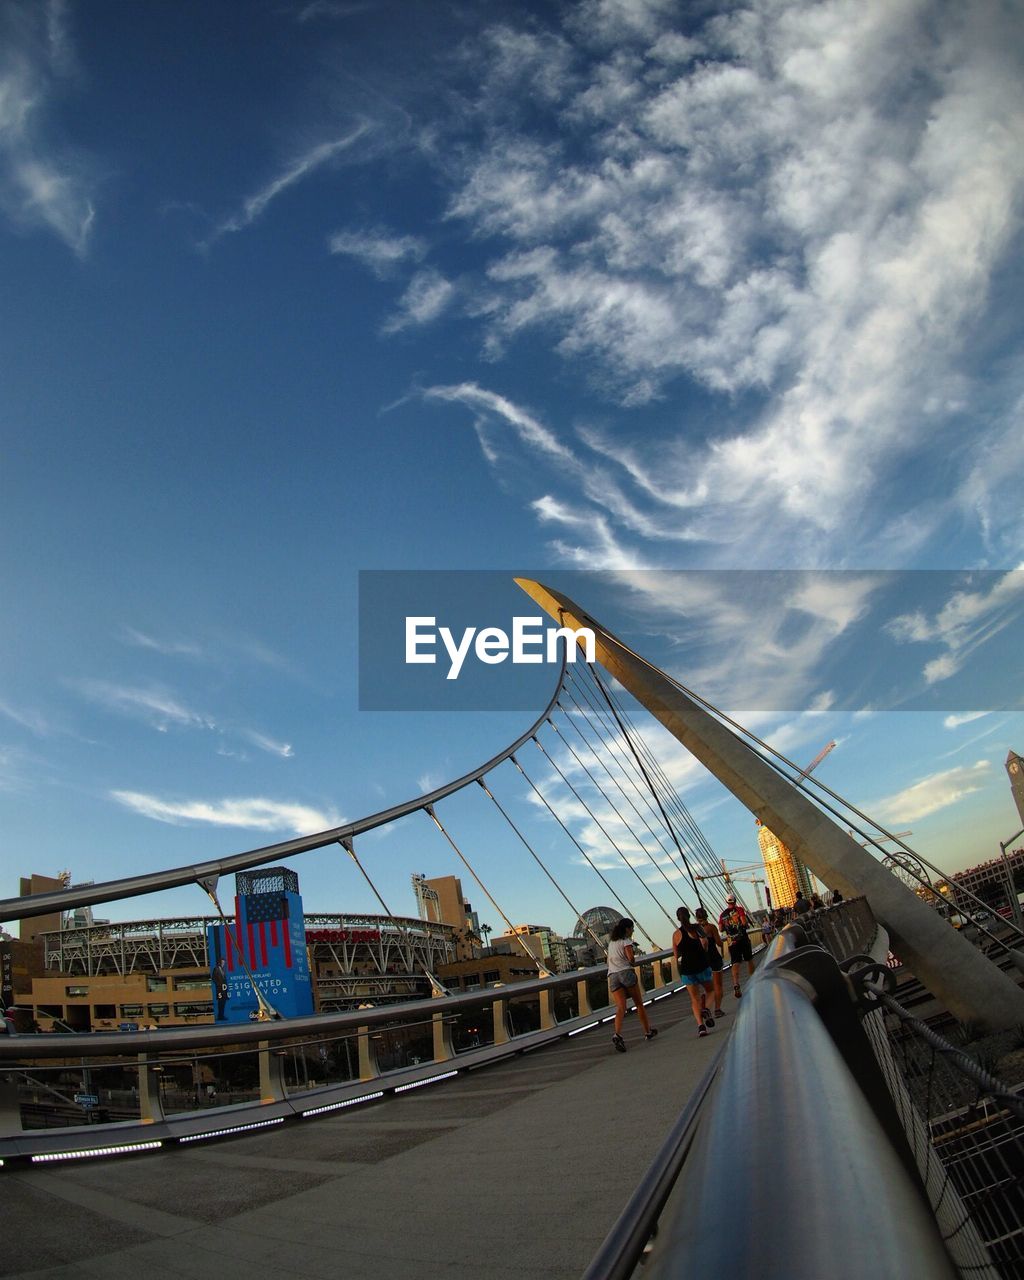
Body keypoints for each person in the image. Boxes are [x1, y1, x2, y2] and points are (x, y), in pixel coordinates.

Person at [606, 918, 657, 1052]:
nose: (633, 930)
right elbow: (631, 959)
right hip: (626, 973)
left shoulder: (612, 942)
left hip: (613, 976)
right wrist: (632, 962)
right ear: (627, 929)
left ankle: (617, 1034)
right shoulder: (626, 941)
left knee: (621, 1007)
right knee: (639, 1004)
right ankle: (647, 1031)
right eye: (632, 928)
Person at [673, 907, 716, 1036]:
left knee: (694, 999)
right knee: (711, 990)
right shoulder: (697, 928)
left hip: (687, 969)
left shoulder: (676, 934)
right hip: (701, 965)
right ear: (689, 916)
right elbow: (705, 943)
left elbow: (676, 955)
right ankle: (706, 1009)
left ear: (678, 918)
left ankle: (700, 1026)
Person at [719, 893, 754, 998]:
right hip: (742, 938)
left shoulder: (722, 915)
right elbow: (743, 922)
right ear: (735, 901)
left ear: (726, 902)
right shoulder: (739, 910)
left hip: (731, 941)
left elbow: (720, 929)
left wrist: (728, 927)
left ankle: (735, 983)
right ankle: (753, 979)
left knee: (735, 962)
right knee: (749, 959)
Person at [693, 906, 726, 1019]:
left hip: (703, 961)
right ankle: (717, 1009)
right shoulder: (711, 927)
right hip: (714, 958)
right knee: (718, 985)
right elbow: (719, 943)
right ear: (706, 916)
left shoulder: (694, 930)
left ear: (697, 918)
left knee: (706, 987)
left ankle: (704, 1005)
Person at [212, 957, 228, 1021]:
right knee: (220, 1003)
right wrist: (218, 984)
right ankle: (220, 1016)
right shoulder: (216, 969)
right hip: (219, 989)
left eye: (224, 962)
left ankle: (222, 1015)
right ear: (220, 962)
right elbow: (213, 978)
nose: (223, 963)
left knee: (223, 1003)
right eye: (222, 962)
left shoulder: (222, 969)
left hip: (223, 989)